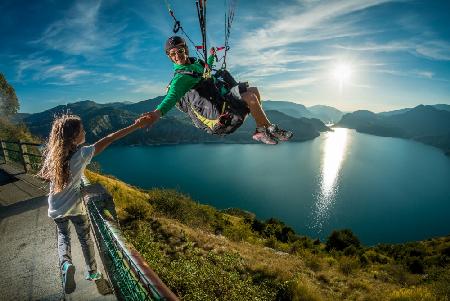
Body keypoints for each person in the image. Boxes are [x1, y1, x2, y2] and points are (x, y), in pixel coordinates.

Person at [38, 114, 146, 294]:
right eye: (82, 130)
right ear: (74, 137)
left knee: (63, 236)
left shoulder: (53, 155)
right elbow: (110, 138)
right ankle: (93, 272)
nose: (85, 132)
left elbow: (46, 176)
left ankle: (66, 264)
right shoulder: (82, 154)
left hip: (55, 206)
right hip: (74, 206)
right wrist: (136, 126)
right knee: (85, 238)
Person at [139, 35, 293, 145]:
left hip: (221, 99)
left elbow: (206, 67)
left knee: (253, 90)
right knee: (250, 97)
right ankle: (264, 130)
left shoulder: (195, 64)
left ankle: (262, 128)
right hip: (218, 116)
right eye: (173, 54)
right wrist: (156, 113)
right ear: (169, 57)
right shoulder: (181, 78)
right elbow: (171, 97)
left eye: (180, 51)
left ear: (185, 49)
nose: (177, 56)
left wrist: (212, 56)